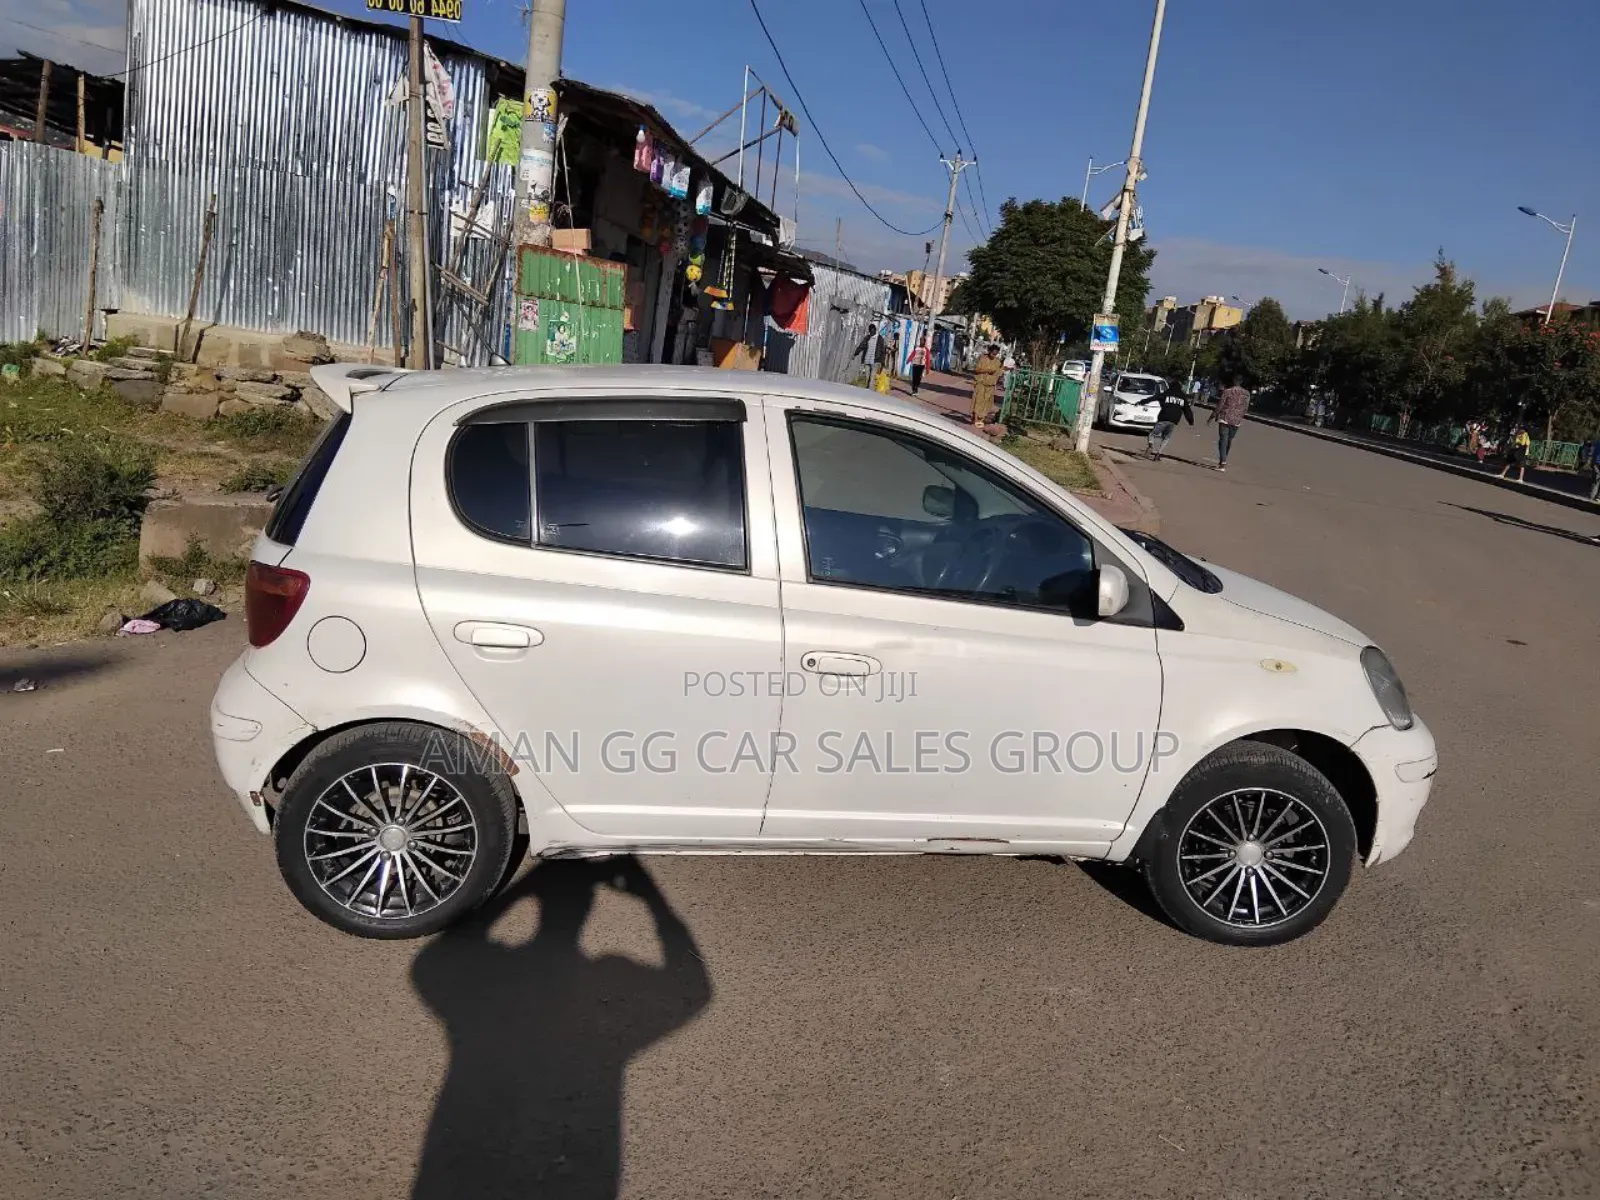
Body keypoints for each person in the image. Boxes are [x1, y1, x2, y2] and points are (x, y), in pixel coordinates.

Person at [1207, 376, 1251, 471]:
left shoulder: (1227, 391)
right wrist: (1239, 416)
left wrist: (1212, 416)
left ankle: (1223, 462)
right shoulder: (1247, 394)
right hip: (1236, 421)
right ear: (1241, 382)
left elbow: (1220, 405)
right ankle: (1223, 460)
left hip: (1225, 418)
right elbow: (1246, 408)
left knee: (1223, 440)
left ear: (1234, 381)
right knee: (1229, 441)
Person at [1147, 383, 1194, 460]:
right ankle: (1158, 454)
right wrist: (1190, 420)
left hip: (1163, 418)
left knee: (1152, 433)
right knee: (1166, 438)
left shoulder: (1167, 393)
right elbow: (1187, 410)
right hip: (1173, 421)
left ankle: (1150, 444)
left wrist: (1142, 402)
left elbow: (1155, 397)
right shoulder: (1182, 397)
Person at [971, 343, 1003, 428]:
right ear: (989, 351)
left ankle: (981, 419)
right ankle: (976, 419)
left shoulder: (998, 362)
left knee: (986, 403)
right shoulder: (982, 358)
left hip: (991, 385)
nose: (993, 356)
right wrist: (987, 370)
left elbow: (999, 373)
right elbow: (977, 370)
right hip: (981, 383)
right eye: (992, 353)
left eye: (995, 354)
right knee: (978, 401)